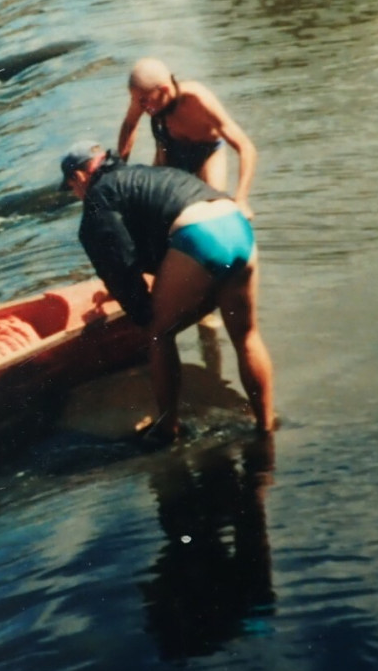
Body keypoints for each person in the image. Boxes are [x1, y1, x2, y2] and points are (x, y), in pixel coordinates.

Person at [61, 141, 275, 444]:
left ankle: (167, 429)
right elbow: (155, 243)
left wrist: (141, 311)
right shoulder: (140, 174)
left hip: (199, 237)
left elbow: (119, 262)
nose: (76, 194)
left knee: (159, 334)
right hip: (234, 223)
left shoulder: (99, 197)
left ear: (80, 177)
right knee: (247, 336)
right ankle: (266, 426)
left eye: (72, 187)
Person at [117, 57, 258, 216]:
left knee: (216, 209)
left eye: (144, 101)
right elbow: (130, 125)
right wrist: (119, 167)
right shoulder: (143, 97)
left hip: (208, 152)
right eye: (136, 100)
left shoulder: (198, 99)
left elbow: (246, 147)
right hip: (171, 149)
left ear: (164, 90)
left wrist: (241, 199)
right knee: (154, 208)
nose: (140, 106)